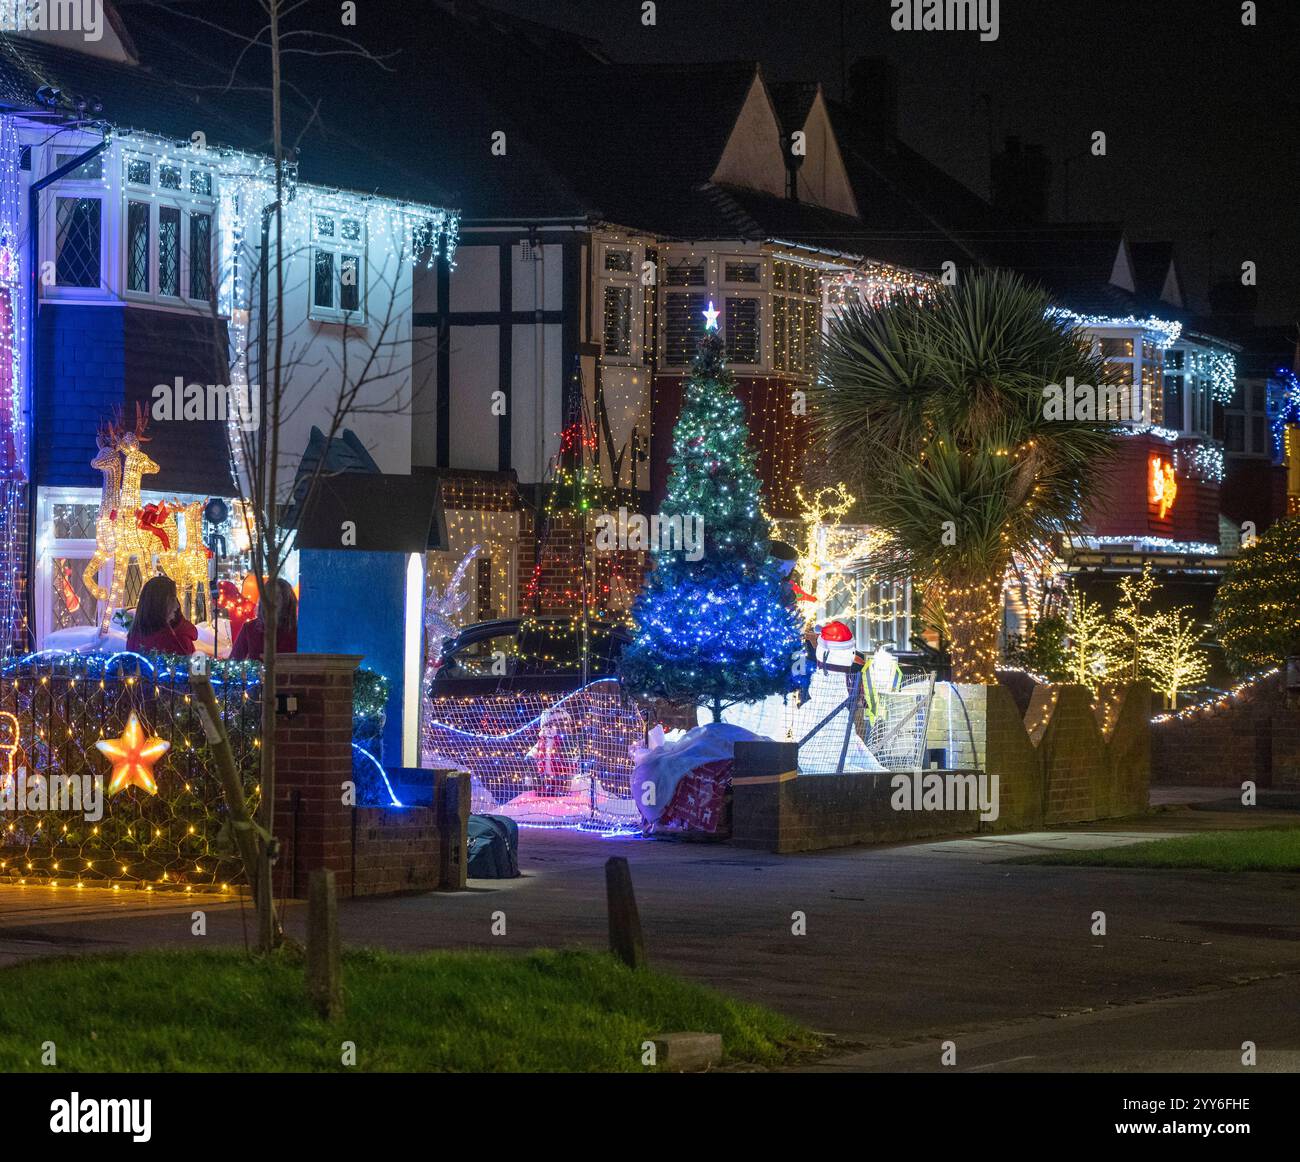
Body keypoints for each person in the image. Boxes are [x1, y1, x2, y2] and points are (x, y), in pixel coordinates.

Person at [126, 575, 198, 656]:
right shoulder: (170, 640)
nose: (177, 606)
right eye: (173, 599)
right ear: (160, 604)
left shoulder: (134, 637)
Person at [230, 578, 298, 661]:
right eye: (268, 597)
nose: (272, 602)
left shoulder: (298, 631)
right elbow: (234, 661)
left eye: (277, 597)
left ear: (287, 601)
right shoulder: (250, 629)